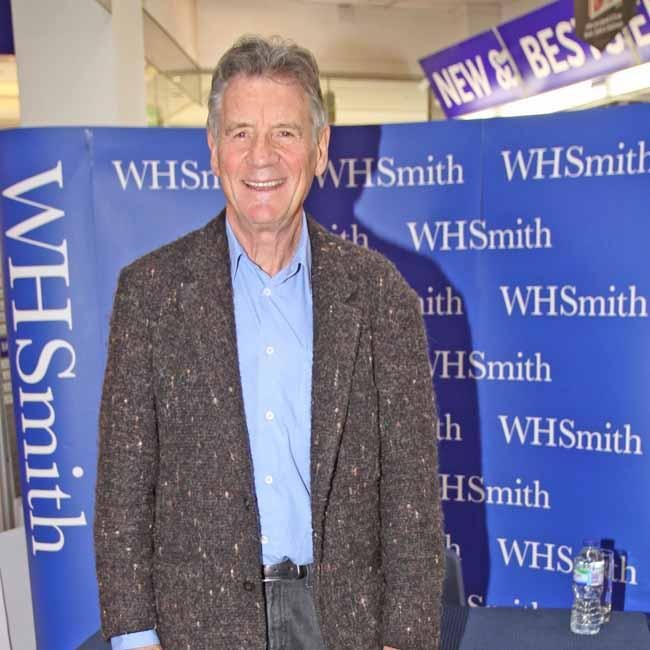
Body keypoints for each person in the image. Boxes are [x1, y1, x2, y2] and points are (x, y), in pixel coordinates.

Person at [94, 35, 444, 650]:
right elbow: (123, 490)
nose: (262, 157)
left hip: (343, 625)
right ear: (213, 149)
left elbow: (411, 494)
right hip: (196, 626)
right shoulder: (150, 295)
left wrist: (405, 638)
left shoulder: (380, 296)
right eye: (240, 133)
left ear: (319, 149)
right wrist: (132, 636)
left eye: (285, 132)